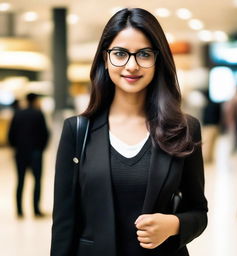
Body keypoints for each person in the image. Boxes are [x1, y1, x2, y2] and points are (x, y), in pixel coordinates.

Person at [51, 8, 208, 256]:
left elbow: (198, 211)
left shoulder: (184, 129)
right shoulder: (78, 130)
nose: (131, 65)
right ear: (105, 59)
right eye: (120, 54)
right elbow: (64, 223)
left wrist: (174, 225)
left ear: (158, 60)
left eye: (144, 54)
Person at [8, 93, 49, 218]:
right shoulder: (38, 113)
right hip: (35, 152)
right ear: (36, 100)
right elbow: (45, 133)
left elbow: (11, 134)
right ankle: (36, 210)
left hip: (20, 152)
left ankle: (19, 210)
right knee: (37, 181)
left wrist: (15, 147)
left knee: (20, 181)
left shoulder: (18, 113)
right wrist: (41, 148)